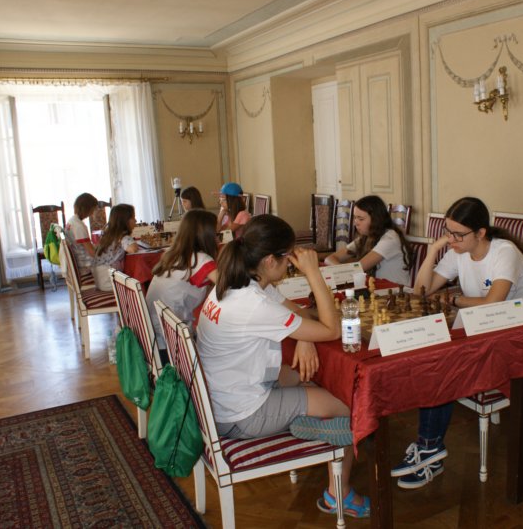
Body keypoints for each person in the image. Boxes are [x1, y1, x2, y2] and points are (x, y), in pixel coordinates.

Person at [196, 214, 370, 518]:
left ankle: (310, 420)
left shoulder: (240, 283)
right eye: (288, 256)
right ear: (269, 261)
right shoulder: (254, 303)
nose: (292, 263)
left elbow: (301, 315)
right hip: (241, 414)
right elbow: (331, 329)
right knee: (351, 401)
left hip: (229, 393)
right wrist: (314, 273)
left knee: (316, 379)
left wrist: (304, 336)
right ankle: (337, 493)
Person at [392, 196, 523, 489]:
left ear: (481, 233)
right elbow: (421, 291)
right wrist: (432, 251)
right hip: (482, 332)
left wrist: (454, 299)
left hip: (519, 339)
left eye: (458, 234)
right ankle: (429, 449)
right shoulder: (458, 250)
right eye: (447, 232)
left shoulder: (504, 252)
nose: (451, 240)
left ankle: (429, 450)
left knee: (443, 366)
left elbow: (493, 303)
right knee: (432, 359)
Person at [146, 209, 218, 359]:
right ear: (206, 236)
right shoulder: (200, 259)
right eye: (216, 234)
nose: (218, 239)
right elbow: (228, 285)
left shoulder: (172, 254)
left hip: (153, 333)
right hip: (172, 341)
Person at [324, 195, 412, 286]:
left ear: (376, 219)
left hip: (397, 291)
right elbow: (329, 259)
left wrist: (340, 270)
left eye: (361, 219)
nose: (355, 223)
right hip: (379, 288)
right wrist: (341, 270)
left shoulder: (390, 238)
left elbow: (358, 268)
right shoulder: (366, 237)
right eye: (355, 217)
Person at [91, 204, 140, 291]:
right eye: (133, 217)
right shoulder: (123, 236)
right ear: (125, 221)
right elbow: (133, 249)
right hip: (109, 281)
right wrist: (133, 242)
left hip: (100, 279)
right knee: (139, 284)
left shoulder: (108, 234)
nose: (135, 220)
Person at [65, 192, 98, 272]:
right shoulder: (79, 226)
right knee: (115, 262)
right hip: (84, 264)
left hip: (78, 259)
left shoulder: (71, 221)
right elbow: (92, 252)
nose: (93, 212)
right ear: (87, 209)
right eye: (93, 209)